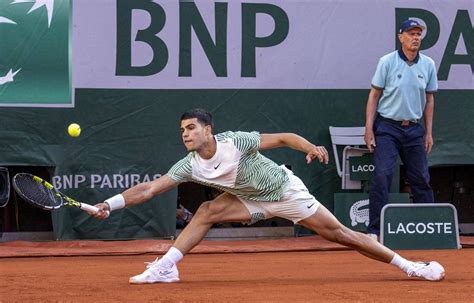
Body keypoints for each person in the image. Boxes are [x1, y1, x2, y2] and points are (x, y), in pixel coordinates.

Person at [93, 108, 445, 284]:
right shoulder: (189, 165)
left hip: (284, 191)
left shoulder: (235, 142)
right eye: (182, 130)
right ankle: (166, 268)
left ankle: (411, 267)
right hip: (249, 198)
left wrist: (309, 146)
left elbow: (283, 137)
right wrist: (111, 203)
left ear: (207, 130)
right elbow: (150, 188)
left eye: (191, 128)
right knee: (206, 210)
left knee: (341, 235)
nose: (185, 134)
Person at [364, 19, 438, 238]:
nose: (415, 38)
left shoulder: (428, 64)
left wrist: (429, 132)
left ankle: (429, 229)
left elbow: (430, 99)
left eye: (418, 34)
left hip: (414, 130)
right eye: (411, 33)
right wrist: (369, 128)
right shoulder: (386, 62)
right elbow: (374, 95)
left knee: (421, 179)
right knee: (382, 175)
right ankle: (375, 231)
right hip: (387, 127)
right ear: (401, 37)